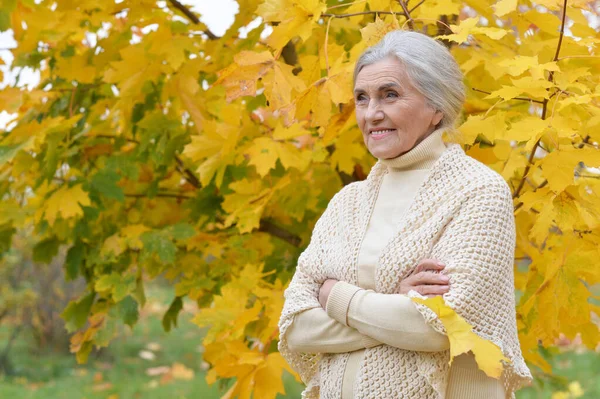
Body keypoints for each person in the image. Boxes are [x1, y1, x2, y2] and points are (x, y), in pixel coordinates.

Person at [278, 30, 532, 399]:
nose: (371, 114)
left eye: (390, 95)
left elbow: (437, 329)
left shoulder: (477, 191)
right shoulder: (347, 202)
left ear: (437, 106)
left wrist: (335, 296)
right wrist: (392, 302)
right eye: (361, 98)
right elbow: (297, 328)